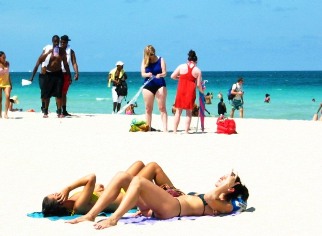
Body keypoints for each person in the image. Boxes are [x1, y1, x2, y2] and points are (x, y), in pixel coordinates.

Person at [67, 169, 249, 230]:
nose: (222, 178)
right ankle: (91, 215)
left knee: (138, 181)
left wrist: (228, 184)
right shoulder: (218, 198)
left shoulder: (223, 204)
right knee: (123, 176)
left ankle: (113, 219)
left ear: (231, 188)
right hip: (165, 206)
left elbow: (209, 197)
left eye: (226, 179)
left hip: (172, 208)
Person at [42, 161, 182, 217]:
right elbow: (91, 177)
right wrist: (68, 187)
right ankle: (178, 196)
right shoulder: (78, 207)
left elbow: (92, 190)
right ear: (60, 202)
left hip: (116, 190)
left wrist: (97, 189)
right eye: (56, 195)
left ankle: (163, 192)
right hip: (128, 196)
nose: (58, 192)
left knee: (139, 164)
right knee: (153, 167)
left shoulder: (73, 200)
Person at [30, 35, 71, 118]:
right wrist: (32, 77)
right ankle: (45, 111)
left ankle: (59, 112)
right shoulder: (48, 51)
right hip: (49, 74)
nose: (56, 43)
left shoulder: (62, 51)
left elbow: (66, 64)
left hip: (58, 73)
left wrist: (69, 75)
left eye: (57, 42)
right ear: (52, 41)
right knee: (47, 94)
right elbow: (39, 62)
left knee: (59, 94)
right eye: (55, 41)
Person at [171, 50, 203, 133]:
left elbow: (172, 76)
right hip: (190, 92)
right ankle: (186, 131)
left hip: (181, 90)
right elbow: (199, 85)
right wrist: (202, 91)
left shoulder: (181, 66)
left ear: (188, 60)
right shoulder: (198, 70)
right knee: (189, 112)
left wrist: (181, 78)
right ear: (196, 61)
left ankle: (174, 130)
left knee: (178, 111)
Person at [140, 45, 168, 132]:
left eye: (151, 54)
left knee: (162, 107)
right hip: (148, 85)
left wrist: (161, 75)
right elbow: (142, 73)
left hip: (160, 84)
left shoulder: (161, 59)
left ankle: (165, 129)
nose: (150, 57)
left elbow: (165, 72)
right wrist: (147, 74)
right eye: (148, 55)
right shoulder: (145, 60)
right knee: (148, 108)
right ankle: (148, 128)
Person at [59, 35, 79, 116]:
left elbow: (74, 62)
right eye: (62, 42)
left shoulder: (71, 51)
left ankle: (64, 110)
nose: (63, 44)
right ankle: (58, 110)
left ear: (67, 42)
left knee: (64, 93)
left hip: (66, 74)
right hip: (57, 73)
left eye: (64, 42)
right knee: (58, 92)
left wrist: (76, 72)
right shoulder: (57, 50)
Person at [0, 51, 12, 119]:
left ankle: (6, 113)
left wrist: (11, 83)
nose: (4, 59)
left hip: (6, 83)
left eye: (5, 57)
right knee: (0, 99)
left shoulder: (7, 63)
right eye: (3, 57)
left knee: (7, 96)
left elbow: (8, 74)